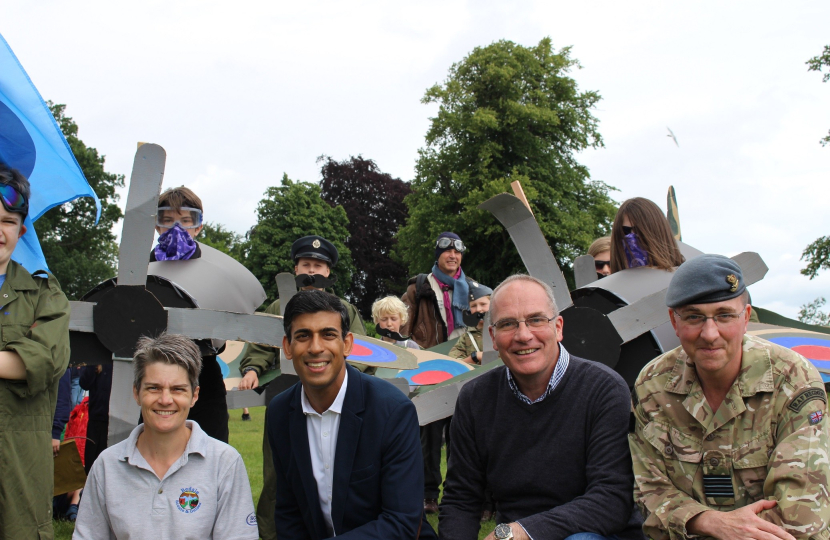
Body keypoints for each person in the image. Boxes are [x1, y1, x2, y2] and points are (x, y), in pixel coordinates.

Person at [629, 254, 830, 540]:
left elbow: (801, 516)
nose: (709, 334)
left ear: (746, 317)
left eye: (724, 315)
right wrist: (708, 522)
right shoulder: (653, 386)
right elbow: (647, 490)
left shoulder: (792, 379)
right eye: (694, 317)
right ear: (674, 321)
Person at [439, 274, 644, 540]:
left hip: (595, 535)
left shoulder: (603, 390)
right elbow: (461, 498)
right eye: (507, 324)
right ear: (493, 336)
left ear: (558, 327)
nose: (523, 336)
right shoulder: (476, 398)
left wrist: (521, 532)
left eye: (536, 320)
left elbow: (610, 499)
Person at [267, 289, 437, 539]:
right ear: (287, 347)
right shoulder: (280, 412)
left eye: (328, 334)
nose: (315, 348)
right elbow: (289, 511)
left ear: (347, 344)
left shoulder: (392, 410)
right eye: (303, 336)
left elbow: (401, 522)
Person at [238, 234, 367, 540]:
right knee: (278, 474)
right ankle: (272, 533)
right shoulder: (277, 305)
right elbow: (260, 345)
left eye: (319, 266)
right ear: (295, 268)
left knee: (335, 471)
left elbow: (360, 352)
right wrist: (253, 368)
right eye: (306, 264)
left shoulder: (344, 308)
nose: (312, 270)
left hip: (336, 404)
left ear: (328, 272)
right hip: (286, 403)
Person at [73, 333, 258, 540]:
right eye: (154, 388)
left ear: (194, 395)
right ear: (136, 392)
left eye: (178, 389)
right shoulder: (107, 466)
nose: (165, 400)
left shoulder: (224, 463)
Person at [0, 163, 71, 539]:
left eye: (9, 221)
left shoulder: (45, 294)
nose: (0, 230)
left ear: (21, 231)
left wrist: (19, 360)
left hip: (18, 469)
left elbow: (46, 359)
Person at [147, 186, 231, 442]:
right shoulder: (141, 268)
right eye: (168, 220)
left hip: (204, 372)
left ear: (198, 226)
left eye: (186, 221)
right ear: (157, 225)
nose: (177, 229)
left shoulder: (216, 270)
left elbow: (224, 334)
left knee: (211, 450)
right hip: (154, 370)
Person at [401, 231, 472, 514]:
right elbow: (403, 329)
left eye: (457, 252)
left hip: (466, 369)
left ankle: (460, 493)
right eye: (446, 252)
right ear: (438, 255)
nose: (452, 256)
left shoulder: (473, 289)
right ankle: (429, 495)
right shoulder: (418, 288)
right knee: (428, 438)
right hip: (430, 370)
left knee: (463, 436)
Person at [610, 197, 684, 274]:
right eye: (625, 231)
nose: (631, 238)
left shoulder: (686, 280)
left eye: (639, 231)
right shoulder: (606, 285)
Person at [448, 279, 492, 364]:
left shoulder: (503, 328)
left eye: (483, 304)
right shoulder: (467, 337)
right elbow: (454, 363)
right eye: (473, 306)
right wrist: (475, 357)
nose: (478, 309)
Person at [79, 362, 112, 474]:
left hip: (114, 419)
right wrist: (93, 365)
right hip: (96, 418)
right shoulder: (98, 361)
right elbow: (84, 383)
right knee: (92, 464)